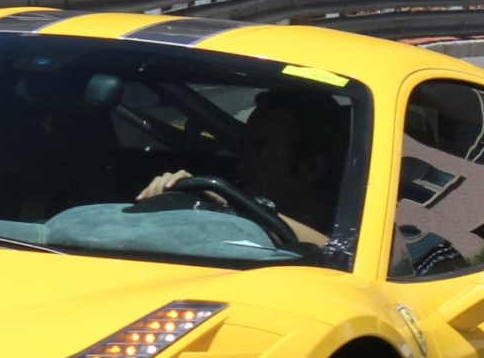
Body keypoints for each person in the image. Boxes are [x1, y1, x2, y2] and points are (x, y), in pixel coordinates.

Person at [136, 93, 346, 247]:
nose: (242, 162)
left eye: (261, 149)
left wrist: (228, 202)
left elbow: (336, 255)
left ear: (311, 168)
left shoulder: (356, 227)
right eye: (244, 147)